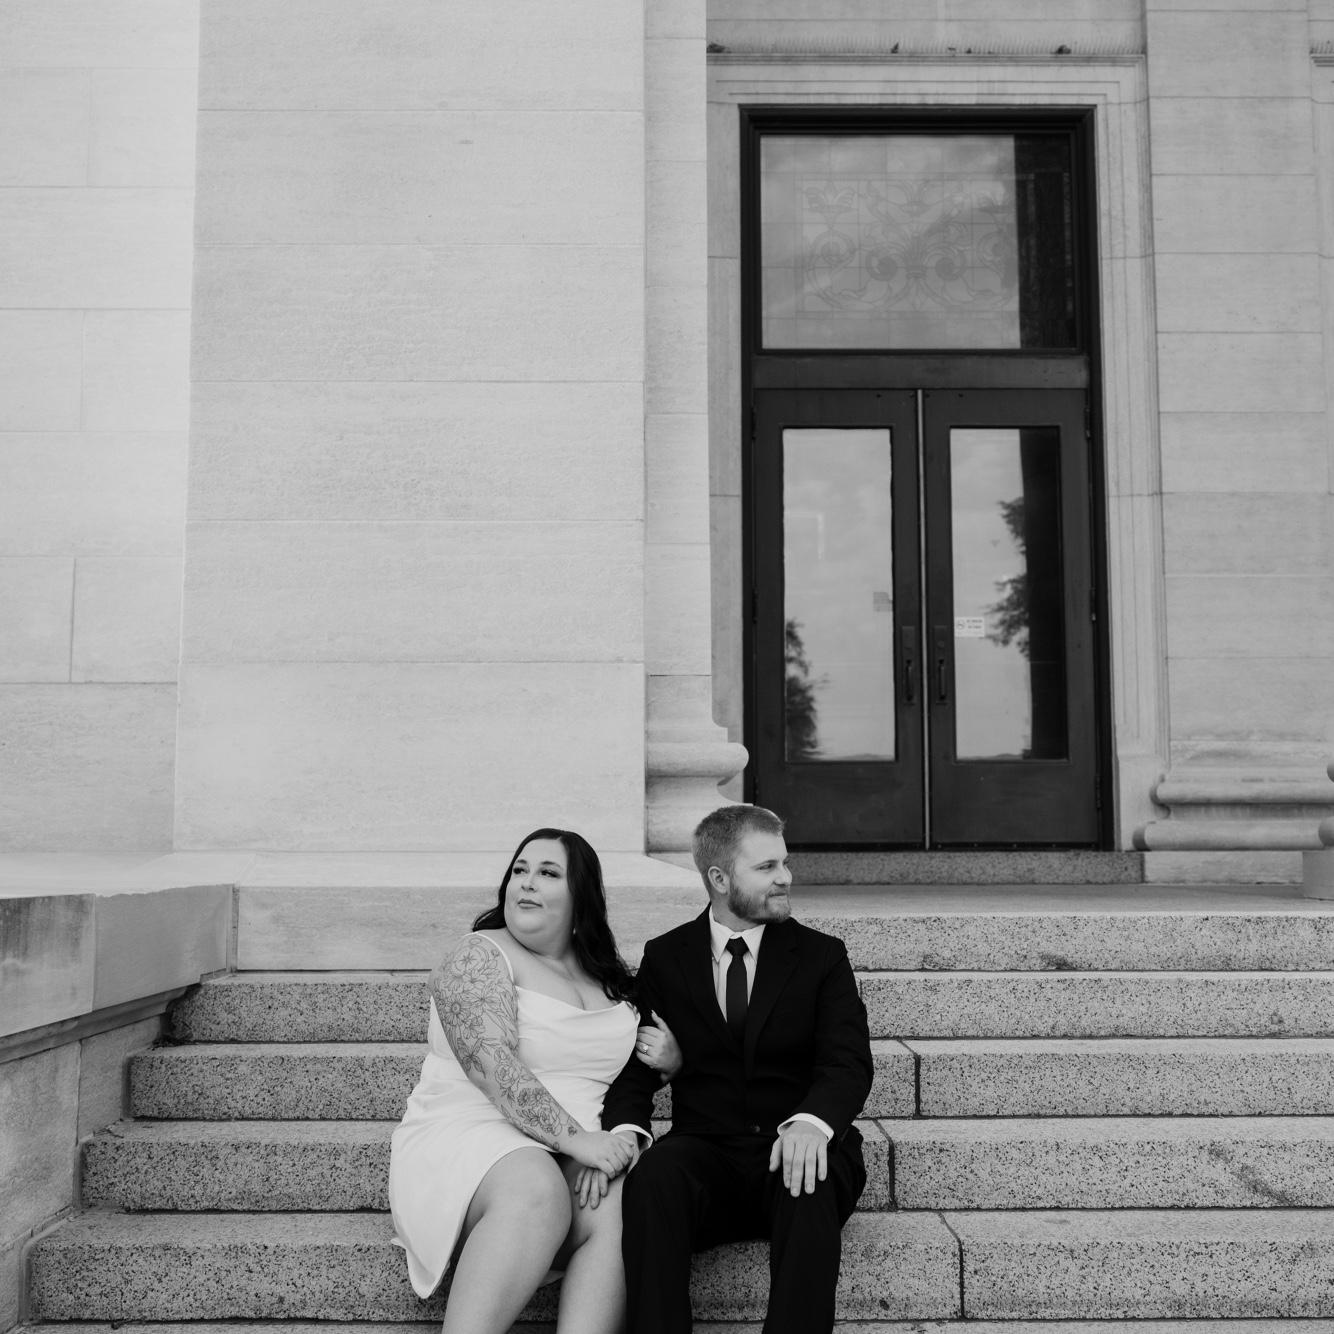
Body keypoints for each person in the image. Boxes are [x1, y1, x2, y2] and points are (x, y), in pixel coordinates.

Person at [389, 828, 679, 1334]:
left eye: (547, 873)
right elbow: (492, 1066)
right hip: (472, 1137)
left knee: (622, 1200)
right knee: (537, 1187)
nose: (526, 882)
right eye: (519, 871)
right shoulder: (479, 955)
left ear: (581, 895)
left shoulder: (610, 978)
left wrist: (671, 1060)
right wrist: (578, 1140)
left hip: (575, 1147)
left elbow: (631, 1072)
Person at [603, 804, 874, 1334]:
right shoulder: (666, 956)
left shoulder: (822, 956)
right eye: (767, 867)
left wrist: (812, 1123)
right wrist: (626, 1133)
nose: (785, 877)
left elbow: (847, 1062)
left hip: (794, 1144)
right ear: (720, 879)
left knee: (809, 1175)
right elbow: (635, 1068)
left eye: (784, 862)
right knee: (655, 1177)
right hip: (708, 1151)